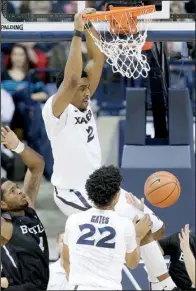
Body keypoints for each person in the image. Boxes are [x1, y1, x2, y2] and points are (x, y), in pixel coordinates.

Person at [42, 7, 179, 291]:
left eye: (86, 87)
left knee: (154, 227)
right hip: (72, 192)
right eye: (81, 88)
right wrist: (78, 32)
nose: (87, 91)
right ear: (66, 94)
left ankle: (159, 282)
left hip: (99, 187)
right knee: (127, 229)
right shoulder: (55, 112)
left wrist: (92, 27)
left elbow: (99, 57)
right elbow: (69, 81)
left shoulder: (84, 101)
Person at [63, 165, 153, 290]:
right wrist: (137, 236)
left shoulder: (73, 220)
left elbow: (66, 260)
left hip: (80, 287)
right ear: (116, 196)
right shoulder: (124, 225)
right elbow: (132, 264)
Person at [1, 126, 49, 291]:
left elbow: (38, 165)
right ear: (2, 204)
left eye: (16, 187)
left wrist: (17, 146)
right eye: (12, 191)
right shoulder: (5, 225)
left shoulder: (27, 207)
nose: (20, 191)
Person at [149, 224, 196, 290]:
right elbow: (155, 251)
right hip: (170, 285)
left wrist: (186, 250)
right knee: (152, 261)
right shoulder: (184, 238)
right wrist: (150, 236)